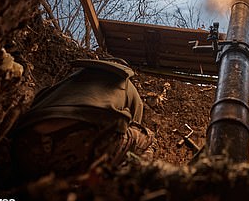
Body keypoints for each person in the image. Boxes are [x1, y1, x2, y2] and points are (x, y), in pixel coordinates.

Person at [11, 58, 155, 180]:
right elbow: (133, 126)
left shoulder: (72, 78)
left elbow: (37, 100)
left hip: (25, 143)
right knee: (149, 138)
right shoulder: (127, 84)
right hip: (79, 146)